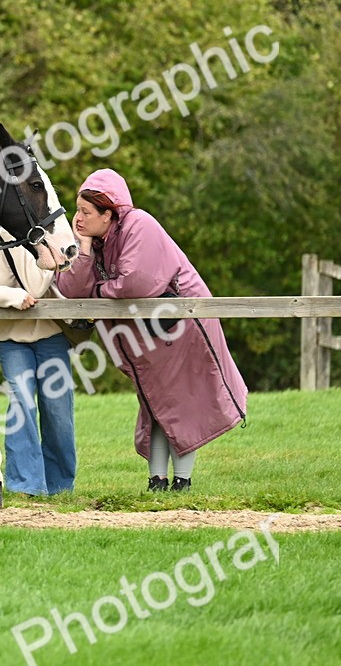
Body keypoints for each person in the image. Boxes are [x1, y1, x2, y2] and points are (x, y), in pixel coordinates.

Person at [55, 168, 247, 492]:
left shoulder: (139, 224)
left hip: (182, 327)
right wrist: (84, 247)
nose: (78, 218)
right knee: (155, 404)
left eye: (86, 212)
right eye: (77, 210)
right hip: (148, 334)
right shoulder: (94, 239)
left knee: (183, 402)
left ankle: (182, 482)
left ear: (108, 213)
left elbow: (136, 281)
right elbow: (71, 288)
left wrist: (98, 291)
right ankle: (157, 481)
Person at [0, 225, 76, 497]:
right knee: (21, 403)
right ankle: (27, 485)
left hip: (53, 332)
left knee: (58, 410)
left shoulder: (50, 232)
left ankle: (59, 487)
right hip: (10, 337)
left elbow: (41, 284)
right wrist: (12, 297)